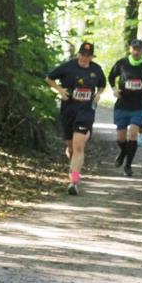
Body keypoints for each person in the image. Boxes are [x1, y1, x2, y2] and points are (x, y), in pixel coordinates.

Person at [46, 42, 106, 195]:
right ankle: (73, 167)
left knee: (79, 146)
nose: (85, 58)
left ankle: (73, 181)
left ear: (92, 56)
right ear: (78, 54)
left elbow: (102, 85)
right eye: (83, 55)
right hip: (68, 110)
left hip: (86, 112)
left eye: (88, 56)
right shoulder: (68, 67)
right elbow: (49, 78)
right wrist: (59, 90)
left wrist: (98, 94)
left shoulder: (96, 69)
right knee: (72, 148)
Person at [108, 38, 142, 177]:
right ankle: (123, 151)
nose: (136, 52)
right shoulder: (122, 63)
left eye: (139, 49)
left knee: (133, 133)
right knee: (121, 137)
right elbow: (110, 77)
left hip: (139, 105)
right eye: (134, 49)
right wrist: (114, 89)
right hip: (122, 104)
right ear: (130, 49)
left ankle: (128, 165)